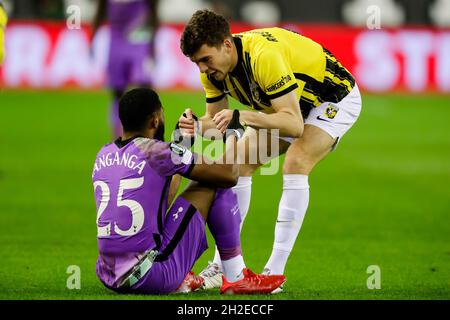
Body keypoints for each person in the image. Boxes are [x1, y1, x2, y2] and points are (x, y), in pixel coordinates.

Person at [179, 9, 362, 290]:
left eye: (205, 60)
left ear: (226, 45)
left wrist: (243, 117)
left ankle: (273, 272)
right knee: (235, 164)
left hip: (331, 99)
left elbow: (294, 125)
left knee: (296, 161)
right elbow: (218, 127)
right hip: (288, 107)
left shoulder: (264, 57)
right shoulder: (214, 71)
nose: (202, 69)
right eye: (196, 63)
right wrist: (195, 126)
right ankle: (225, 267)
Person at [92, 87, 286, 295]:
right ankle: (236, 276)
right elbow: (228, 174)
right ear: (155, 121)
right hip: (150, 276)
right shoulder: (158, 152)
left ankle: (182, 277)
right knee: (214, 182)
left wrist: (183, 143)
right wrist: (233, 133)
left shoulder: (104, 154)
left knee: (198, 187)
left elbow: (161, 201)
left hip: (109, 276)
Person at [92, 0, 160, 138]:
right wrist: (93, 37)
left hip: (140, 41)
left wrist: (152, 44)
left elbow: (153, 13)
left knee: (145, 91)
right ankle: (118, 137)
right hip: (116, 43)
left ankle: (149, 135)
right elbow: (100, 11)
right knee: (117, 93)